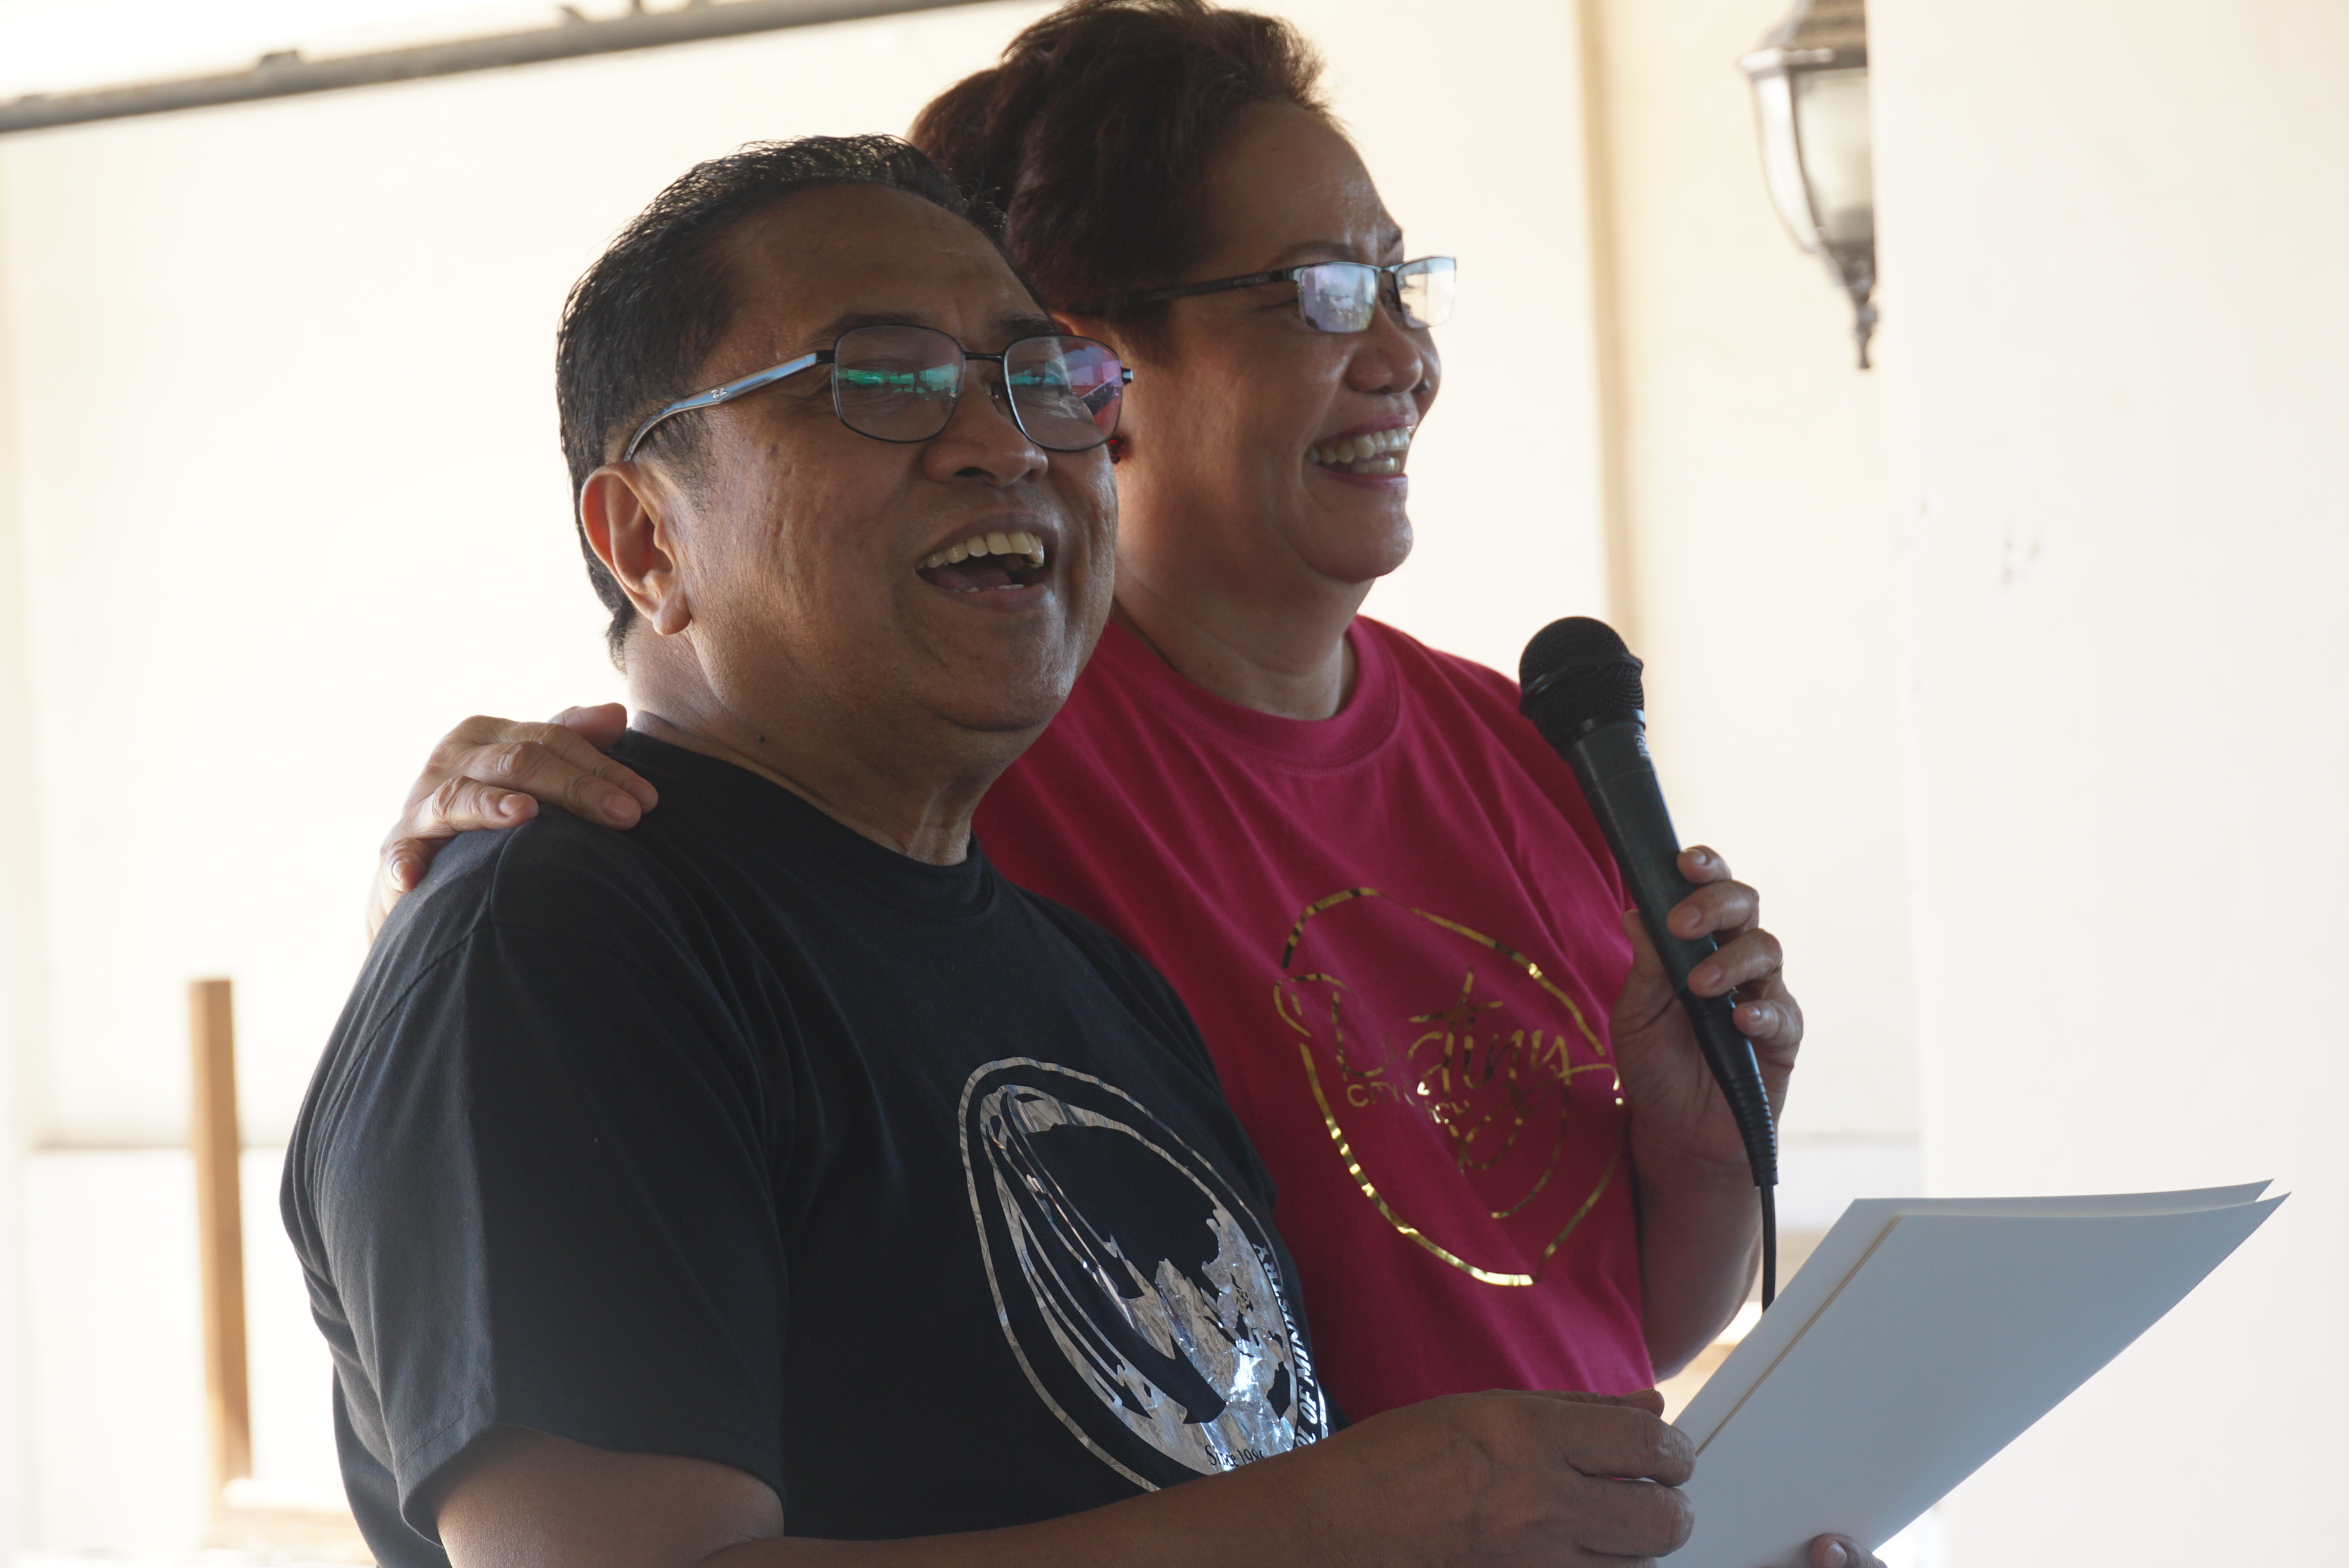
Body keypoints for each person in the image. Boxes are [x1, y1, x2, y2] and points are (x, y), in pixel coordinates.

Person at [378, 0, 1815, 1487]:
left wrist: (1711, 1152)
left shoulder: (1519, 744)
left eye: (1402, 284)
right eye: (1322, 295)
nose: (1402, 354)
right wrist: (452, 890)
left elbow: (1582, 1317)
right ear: (1097, 358)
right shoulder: (964, 744)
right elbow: (670, 890)